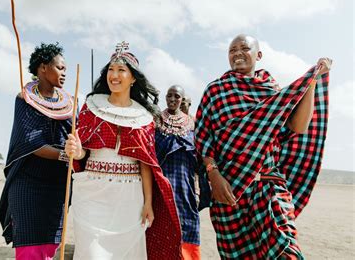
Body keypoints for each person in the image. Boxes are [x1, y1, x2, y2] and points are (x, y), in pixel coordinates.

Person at [194, 34, 331, 259]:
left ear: (258, 55)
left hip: (269, 186)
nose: (237, 53)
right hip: (230, 190)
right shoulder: (215, 91)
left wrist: (311, 82)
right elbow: (203, 137)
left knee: (287, 252)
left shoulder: (272, 92)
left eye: (244, 48)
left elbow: (298, 127)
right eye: (232, 50)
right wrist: (213, 175)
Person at [65, 42, 182, 260]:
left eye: (121, 70)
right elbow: (82, 153)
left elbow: (145, 162)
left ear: (133, 78)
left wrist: (148, 202)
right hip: (92, 194)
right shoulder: (91, 107)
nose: (114, 75)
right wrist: (76, 150)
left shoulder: (144, 118)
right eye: (111, 69)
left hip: (130, 198)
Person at [0, 43, 74, 260]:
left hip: (58, 183)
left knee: (51, 245)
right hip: (28, 182)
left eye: (66, 69)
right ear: (42, 68)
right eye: (59, 68)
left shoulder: (70, 103)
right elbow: (31, 142)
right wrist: (63, 155)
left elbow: (73, 138)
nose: (64, 73)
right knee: (30, 246)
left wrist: (75, 150)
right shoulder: (25, 98)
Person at [155, 85, 201, 259]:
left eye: (177, 96)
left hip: (185, 187)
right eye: (169, 96)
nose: (173, 99)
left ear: (182, 100)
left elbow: (199, 160)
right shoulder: (156, 121)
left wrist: (198, 189)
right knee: (159, 227)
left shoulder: (192, 124)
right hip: (160, 186)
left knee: (188, 226)